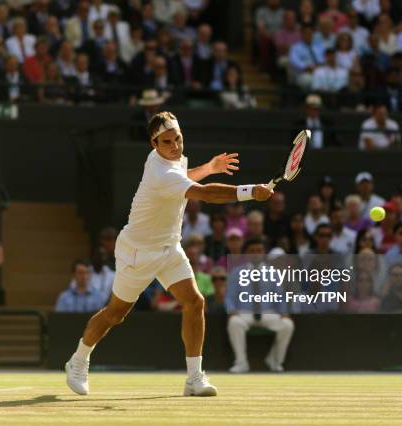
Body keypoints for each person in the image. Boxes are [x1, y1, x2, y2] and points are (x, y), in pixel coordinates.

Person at [65, 111, 274, 397]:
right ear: (154, 145)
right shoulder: (161, 172)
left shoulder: (169, 161)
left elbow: (184, 178)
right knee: (116, 314)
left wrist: (208, 167)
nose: (175, 146)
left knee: (194, 302)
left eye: (178, 138)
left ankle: (194, 378)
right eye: (167, 142)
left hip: (169, 247)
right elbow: (205, 194)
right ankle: (78, 360)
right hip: (138, 252)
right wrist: (251, 191)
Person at [226, 237, 294, 373]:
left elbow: (279, 296)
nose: (256, 253)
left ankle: (275, 361)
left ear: (264, 253)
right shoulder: (236, 273)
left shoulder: (273, 273)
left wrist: (284, 312)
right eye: (252, 251)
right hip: (244, 313)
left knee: (287, 325)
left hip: (267, 312)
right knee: (234, 322)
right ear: (246, 254)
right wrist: (231, 310)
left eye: (259, 250)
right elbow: (230, 296)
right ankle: (241, 363)